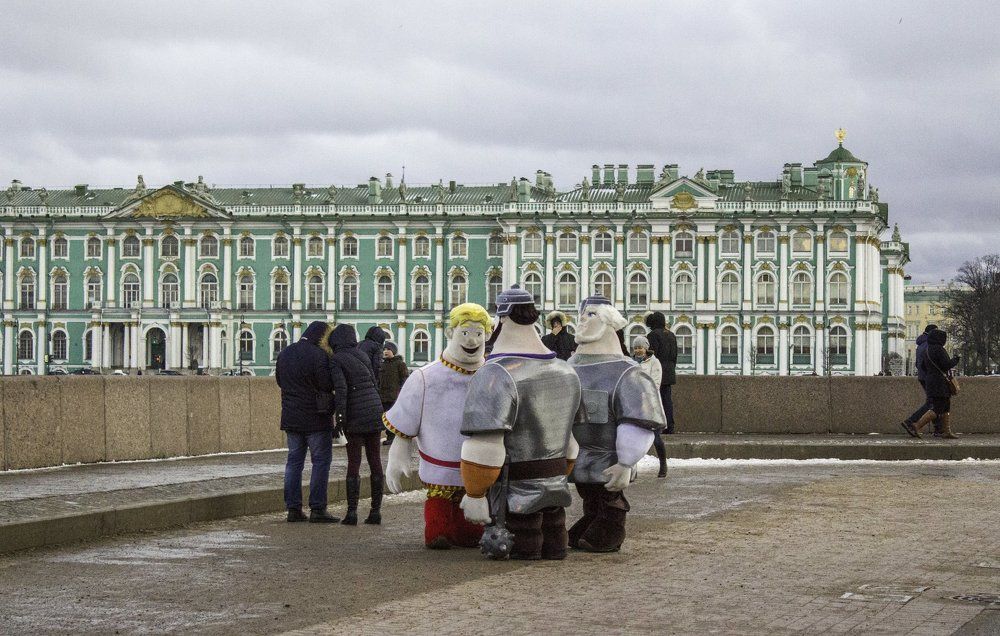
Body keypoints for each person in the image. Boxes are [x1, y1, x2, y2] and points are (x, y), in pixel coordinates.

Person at [459, 286, 583, 561]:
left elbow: (484, 447)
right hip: (556, 485)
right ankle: (555, 547)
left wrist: (475, 492)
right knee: (554, 534)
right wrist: (562, 470)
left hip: (515, 493)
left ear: (503, 319)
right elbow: (572, 441)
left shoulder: (495, 373)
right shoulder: (566, 371)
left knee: (523, 543)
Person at [383, 303, 492, 549]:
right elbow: (406, 420)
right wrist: (399, 453)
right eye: (466, 333)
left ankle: (468, 532)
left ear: (487, 335)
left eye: (478, 333)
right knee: (440, 501)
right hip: (438, 457)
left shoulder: (490, 375)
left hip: (477, 461)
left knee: (471, 506)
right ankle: (438, 531)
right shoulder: (426, 377)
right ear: (451, 333)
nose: (472, 340)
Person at [568, 297, 665, 553]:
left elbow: (638, 420)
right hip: (579, 453)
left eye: (591, 316)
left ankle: (612, 523)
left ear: (608, 321)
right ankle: (593, 518)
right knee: (589, 493)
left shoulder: (628, 372)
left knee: (609, 493)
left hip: (610, 456)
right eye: (582, 315)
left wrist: (626, 461)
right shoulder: (568, 368)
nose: (583, 321)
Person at [275, 320, 338, 523]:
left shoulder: (286, 352)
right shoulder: (319, 355)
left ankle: (293, 509)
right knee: (320, 462)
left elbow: (279, 381)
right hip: (316, 418)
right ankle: (317, 508)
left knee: (294, 462)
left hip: (291, 416)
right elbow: (326, 384)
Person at [327, 323, 386, 525]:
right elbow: (374, 380)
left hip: (355, 415)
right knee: (375, 460)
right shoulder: (361, 354)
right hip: (373, 411)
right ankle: (375, 512)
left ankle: (352, 513)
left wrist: (340, 419)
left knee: (354, 463)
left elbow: (341, 390)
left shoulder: (336, 359)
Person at [909, 328, 960, 439]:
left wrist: (931, 373)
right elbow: (946, 365)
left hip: (931, 380)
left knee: (946, 406)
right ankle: (917, 425)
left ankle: (947, 431)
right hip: (940, 383)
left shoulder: (927, 349)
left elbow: (922, 366)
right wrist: (956, 360)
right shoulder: (939, 349)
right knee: (938, 407)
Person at [632, 335, 667, 478]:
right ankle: (632, 470)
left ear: (646, 348)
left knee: (656, 436)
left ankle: (663, 464)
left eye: (640, 347)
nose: (638, 350)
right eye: (635, 348)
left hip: (651, 404)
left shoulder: (654, 362)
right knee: (631, 438)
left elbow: (655, 383)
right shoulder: (630, 362)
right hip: (634, 404)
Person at [899, 325, 943, 437]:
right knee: (932, 403)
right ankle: (911, 421)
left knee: (934, 403)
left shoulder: (920, 345)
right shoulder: (929, 345)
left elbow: (918, 364)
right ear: (932, 332)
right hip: (930, 378)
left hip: (923, 377)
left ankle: (938, 428)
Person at [644, 311, 678, 434]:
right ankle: (670, 426)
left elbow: (652, 355)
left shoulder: (652, 335)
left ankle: (657, 425)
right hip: (669, 371)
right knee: (667, 400)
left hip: (657, 372)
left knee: (655, 399)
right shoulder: (671, 335)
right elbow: (674, 355)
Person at [379, 342, 410, 446]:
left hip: (394, 396)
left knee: (393, 418)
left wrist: (401, 392)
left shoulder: (400, 364)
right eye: (384, 349)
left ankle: (393, 437)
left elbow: (404, 379)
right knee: (386, 417)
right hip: (383, 396)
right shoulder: (382, 364)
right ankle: (389, 436)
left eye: (388, 349)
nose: (386, 351)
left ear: (394, 351)